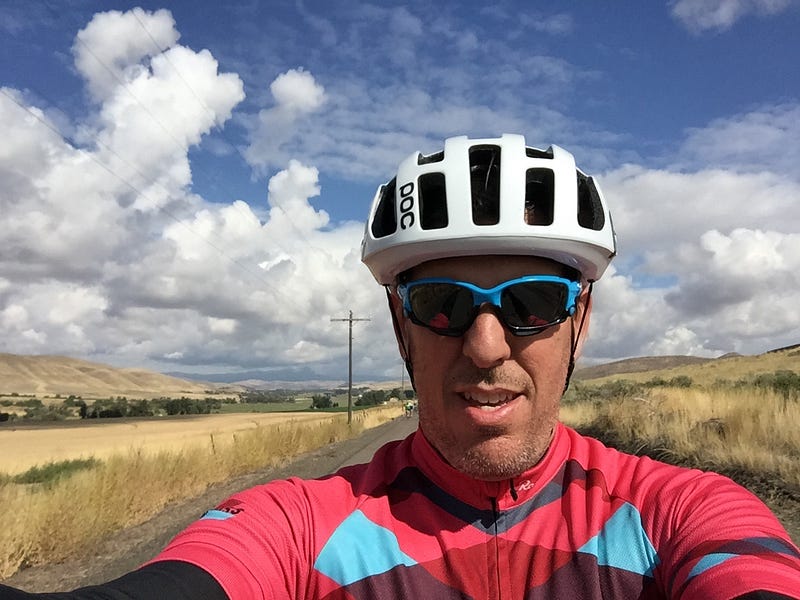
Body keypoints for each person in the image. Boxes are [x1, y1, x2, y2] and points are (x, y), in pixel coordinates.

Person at [2, 134, 799, 599]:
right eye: (442, 304)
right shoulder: (303, 524)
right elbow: (213, 568)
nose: (485, 346)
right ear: (399, 326)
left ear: (579, 322)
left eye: (531, 304)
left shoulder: (679, 512)